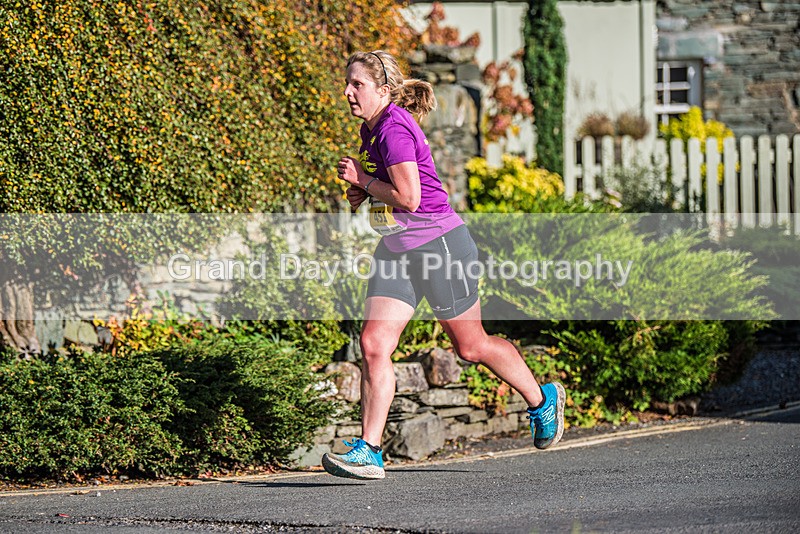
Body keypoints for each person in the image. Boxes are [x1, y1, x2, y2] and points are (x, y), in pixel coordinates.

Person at [321, 50, 565, 480]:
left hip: (440, 246)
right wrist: (363, 192)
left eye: (356, 84)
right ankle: (370, 451)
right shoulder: (370, 128)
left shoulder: (394, 128)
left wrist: (363, 181)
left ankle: (542, 399)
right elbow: (388, 193)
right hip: (397, 248)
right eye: (347, 83)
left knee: (470, 347)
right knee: (374, 343)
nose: (347, 91)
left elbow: (412, 199)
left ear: (381, 89)